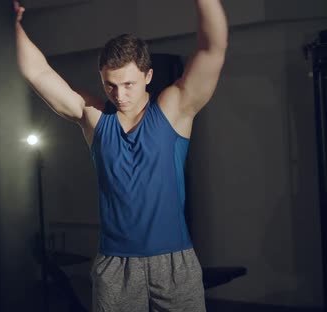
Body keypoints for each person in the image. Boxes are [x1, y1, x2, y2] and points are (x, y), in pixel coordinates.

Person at [15, 0, 228, 311]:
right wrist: (13, 26)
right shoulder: (95, 117)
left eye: (128, 84)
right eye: (110, 86)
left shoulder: (173, 109)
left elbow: (213, 49)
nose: (120, 95)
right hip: (116, 265)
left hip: (174, 263)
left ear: (148, 76)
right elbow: (38, 72)